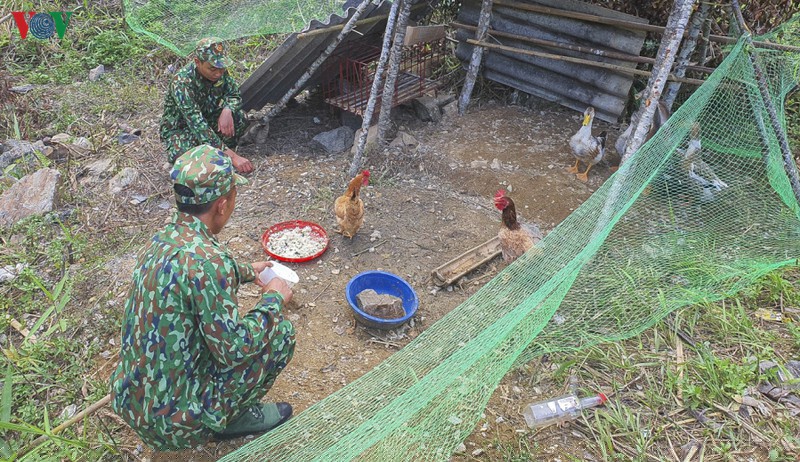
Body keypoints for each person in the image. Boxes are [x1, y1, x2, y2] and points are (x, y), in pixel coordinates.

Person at [110, 145, 295, 450]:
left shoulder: (162, 239)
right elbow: (235, 350)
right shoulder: (209, 262)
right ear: (222, 205)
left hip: (134, 404)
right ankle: (228, 420)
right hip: (177, 425)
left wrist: (247, 269)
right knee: (282, 334)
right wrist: (273, 299)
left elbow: (197, 271)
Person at [160, 38, 254, 174]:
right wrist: (233, 157)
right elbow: (196, 123)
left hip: (208, 119)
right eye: (212, 68)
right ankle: (220, 152)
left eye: (222, 68)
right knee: (185, 157)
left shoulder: (220, 71)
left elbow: (234, 95)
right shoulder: (182, 82)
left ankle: (218, 150)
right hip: (182, 129)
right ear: (197, 62)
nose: (218, 73)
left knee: (240, 118)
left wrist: (227, 110)